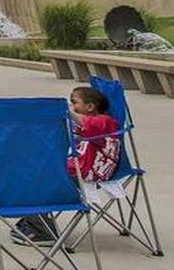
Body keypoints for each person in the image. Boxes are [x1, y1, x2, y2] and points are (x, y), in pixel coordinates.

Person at [13, 86, 122, 247]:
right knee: (33, 169)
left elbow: (89, 125)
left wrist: (66, 111)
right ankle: (35, 222)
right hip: (78, 169)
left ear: (90, 107)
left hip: (86, 173)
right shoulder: (91, 125)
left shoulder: (104, 121)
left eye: (75, 103)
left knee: (33, 178)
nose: (72, 107)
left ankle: (41, 229)